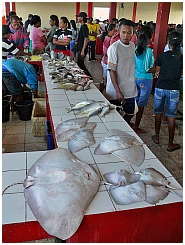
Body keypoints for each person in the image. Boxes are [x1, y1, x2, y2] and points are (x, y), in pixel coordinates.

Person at [152, 30, 183, 152]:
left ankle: (157, 137)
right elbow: (181, 74)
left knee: (158, 113)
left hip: (160, 88)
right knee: (171, 116)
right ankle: (170, 143)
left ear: (168, 43)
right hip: (173, 89)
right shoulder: (182, 58)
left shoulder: (161, 56)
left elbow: (157, 72)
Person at [106, 19, 137, 125]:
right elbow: (111, 70)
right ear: (118, 31)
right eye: (123, 32)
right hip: (115, 90)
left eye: (129, 33)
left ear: (133, 33)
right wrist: (117, 90)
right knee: (113, 116)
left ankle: (123, 125)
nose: (126, 35)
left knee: (131, 112)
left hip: (129, 89)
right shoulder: (114, 48)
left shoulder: (133, 46)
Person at [132, 25, 155, 134]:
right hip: (145, 80)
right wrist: (157, 70)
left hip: (136, 77)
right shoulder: (148, 50)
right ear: (150, 38)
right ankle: (136, 127)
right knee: (141, 105)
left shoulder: (136, 48)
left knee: (136, 102)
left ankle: (130, 121)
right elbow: (147, 68)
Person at [73, 12, 92, 77]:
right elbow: (80, 38)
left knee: (81, 64)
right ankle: (86, 77)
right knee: (79, 63)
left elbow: (86, 39)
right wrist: (76, 45)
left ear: (81, 18)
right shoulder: (81, 26)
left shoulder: (84, 27)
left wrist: (83, 50)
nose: (77, 18)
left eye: (78, 17)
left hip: (82, 49)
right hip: (80, 47)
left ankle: (89, 77)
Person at [99, 23, 116, 93]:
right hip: (106, 62)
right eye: (114, 31)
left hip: (105, 62)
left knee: (105, 79)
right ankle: (102, 92)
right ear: (109, 31)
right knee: (105, 79)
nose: (115, 33)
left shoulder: (108, 38)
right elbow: (106, 53)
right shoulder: (108, 39)